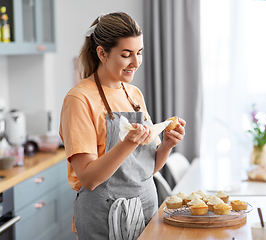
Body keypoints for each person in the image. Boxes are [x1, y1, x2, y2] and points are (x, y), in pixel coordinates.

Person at [59, 12, 186, 240]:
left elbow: (144, 169)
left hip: (146, 210)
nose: (136, 63)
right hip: (103, 218)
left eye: (139, 53)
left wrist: (166, 145)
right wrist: (127, 143)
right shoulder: (79, 99)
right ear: (102, 53)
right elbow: (89, 178)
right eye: (127, 55)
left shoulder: (133, 94)